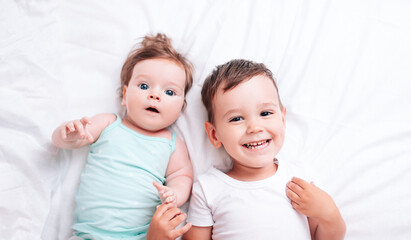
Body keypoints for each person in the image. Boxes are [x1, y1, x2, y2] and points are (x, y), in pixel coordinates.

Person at [183, 59, 346, 240]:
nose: (254, 127)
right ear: (214, 135)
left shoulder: (301, 178)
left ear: (283, 120)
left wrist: (328, 213)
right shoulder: (208, 189)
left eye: (265, 113)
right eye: (236, 118)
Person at [52, 33, 194, 240]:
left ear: (181, 107)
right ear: (125, 95)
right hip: (87, 234)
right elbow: (70, 140)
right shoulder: (109, 123)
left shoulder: (172, 143)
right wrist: (67, 133)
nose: (155, 95)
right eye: (144, 86)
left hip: (139, 236)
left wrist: (174, 195)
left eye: (169, 92)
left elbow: (182, 176)